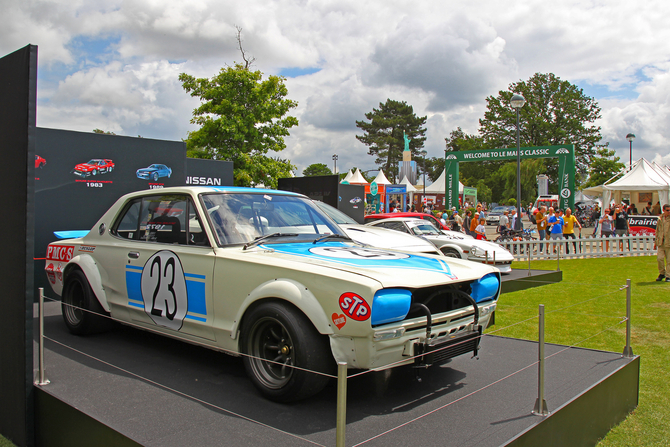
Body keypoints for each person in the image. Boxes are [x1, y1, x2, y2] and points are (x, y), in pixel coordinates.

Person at [655, 204, 670, 281]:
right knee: (659, 259)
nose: (669, 211)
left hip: (669, 242)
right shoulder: (660, 218)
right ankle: (662, 273)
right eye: (667, 210)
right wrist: (656, 241)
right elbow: (657, 230)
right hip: (661, 242)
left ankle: (668, 275)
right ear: (663, 210)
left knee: (669, 260)